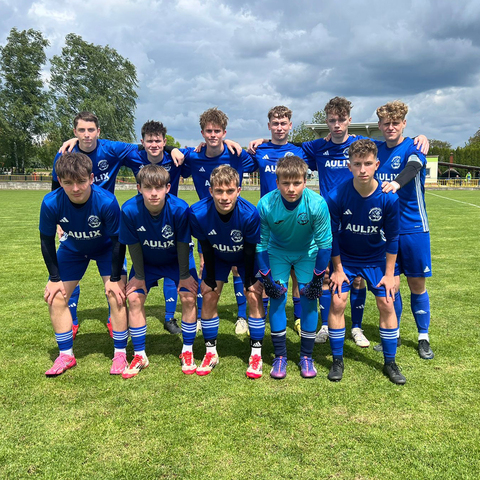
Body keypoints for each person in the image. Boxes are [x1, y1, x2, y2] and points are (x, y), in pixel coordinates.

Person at [56, 114, 185, 337]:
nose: (87, 134)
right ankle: (75, 320)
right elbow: (55, 186)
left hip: (165, 219)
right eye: (81, 130)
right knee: (70, 267)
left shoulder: (174, 157)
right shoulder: (69, 153)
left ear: (98, 131)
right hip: (104, 218)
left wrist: (172, 148)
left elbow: (204, 149)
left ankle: (168, 317)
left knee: (170, 263)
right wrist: (75, 141)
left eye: (91, 130)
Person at [40, 152, 128, 377]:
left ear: (91, 178)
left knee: (117, 295)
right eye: (68, 183)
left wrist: (115, 279)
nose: (75, 188)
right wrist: (54, 278)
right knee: (56, 296)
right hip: (73, 248)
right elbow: (46, 241)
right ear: (60, 182)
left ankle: (120, 353)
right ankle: (66, 355)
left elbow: (118, 241)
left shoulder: (106, 201)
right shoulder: (51, 202)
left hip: (106, 248)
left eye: (81, 181)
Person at [325, 139, 405, 384]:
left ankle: (390, 362)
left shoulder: (388, 198)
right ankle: (337, 359)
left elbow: (393, 238)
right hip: (346, 259)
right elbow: (332, 236)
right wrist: (338, 269)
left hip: (376, 259)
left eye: (368, 163)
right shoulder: (336, 195)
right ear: (349, 166)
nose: (362, 169)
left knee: (387, 303)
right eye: (357, 164)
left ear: (376, 165)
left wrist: (390, 274)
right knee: (337, 302)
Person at [118, 164, 198, 378]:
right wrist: (139, 277)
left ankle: (187, 350)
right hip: (147, 262)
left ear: (167, 188)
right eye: (148, 187)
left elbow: (183, 244)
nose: (153, 193)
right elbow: (133, 245)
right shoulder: (129, 209)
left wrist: (184, 276)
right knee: (134, 298)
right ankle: (140, 354)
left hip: (176, 260)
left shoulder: (180, 208)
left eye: (159, 187)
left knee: (189, 296)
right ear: (139, 188)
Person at [183, 108, 257, 335]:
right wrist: (173, 149)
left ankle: (242, 316)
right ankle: (200, 315)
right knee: (205, 266)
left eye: (217, 131)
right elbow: (169, 155)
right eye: (209, 131)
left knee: (238, 268)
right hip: (207, 221)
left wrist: (254, 142)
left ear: (224, 132)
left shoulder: (237, 154)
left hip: (235, 218)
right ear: (202, 133)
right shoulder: (193, 156)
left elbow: (261, 159)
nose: (213, 135)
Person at [256, 156, 332, 379]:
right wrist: (266, 278)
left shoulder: (317, 203)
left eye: (297, 183)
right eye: (285, 183)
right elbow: (260, 245)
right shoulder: (266, 204)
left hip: (307, 252)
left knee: (309, 299)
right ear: (277, 182)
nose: (291, 189)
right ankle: (280, 356)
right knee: (277, 298)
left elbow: (325, 245)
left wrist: (318, 279)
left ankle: (306, 356)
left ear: (305, 182)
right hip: (277, 252)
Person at [189, 165, 265, 378]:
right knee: (209, 295)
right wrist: (209, 278)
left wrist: (249, 280)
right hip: (217, 257)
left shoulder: (250, 213)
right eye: (219, 191)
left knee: (254, 295)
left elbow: (250, 250)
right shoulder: (197, 212)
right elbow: (205, 245)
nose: (224, 197)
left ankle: (256, 354)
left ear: (238, 191)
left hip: (245, 257)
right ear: (210, 190)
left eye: (230, 191)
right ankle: (210, 353)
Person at [375, 101, 434, 360]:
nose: (391, 127)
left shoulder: (414, 146)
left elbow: (413, 167)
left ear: (404, 124)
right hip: (385, 230)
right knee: (391, 284)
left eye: (395, 123)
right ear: (379, 125)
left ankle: (423, 337)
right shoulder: (376, 149)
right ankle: (394, 333)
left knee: (416, 283)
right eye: (386, 123)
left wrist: (397, 184)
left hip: (413, 227)